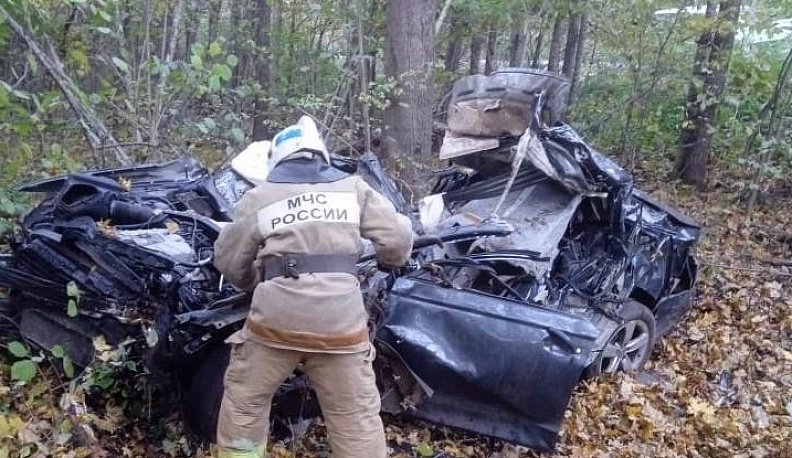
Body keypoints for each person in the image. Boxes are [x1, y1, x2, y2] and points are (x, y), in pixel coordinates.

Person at [212, 116, 414, 458]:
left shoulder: (260, 196)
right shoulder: (354, 189)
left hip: (273, 325)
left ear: (276, 159)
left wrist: (256, 285)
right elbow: (397, 239)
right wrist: (389, 262)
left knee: (245, 406)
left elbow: (229, 259)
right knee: (356, 419)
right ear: (321, 154)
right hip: (341, 328)